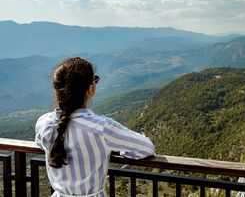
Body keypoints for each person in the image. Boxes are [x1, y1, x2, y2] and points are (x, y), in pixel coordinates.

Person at [35, 57, 155, 197]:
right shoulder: (101, 127)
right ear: (90, 89)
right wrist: (119, 150)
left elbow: (40, 143)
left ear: (58, 91)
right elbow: (147, 147)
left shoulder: (44, 123)